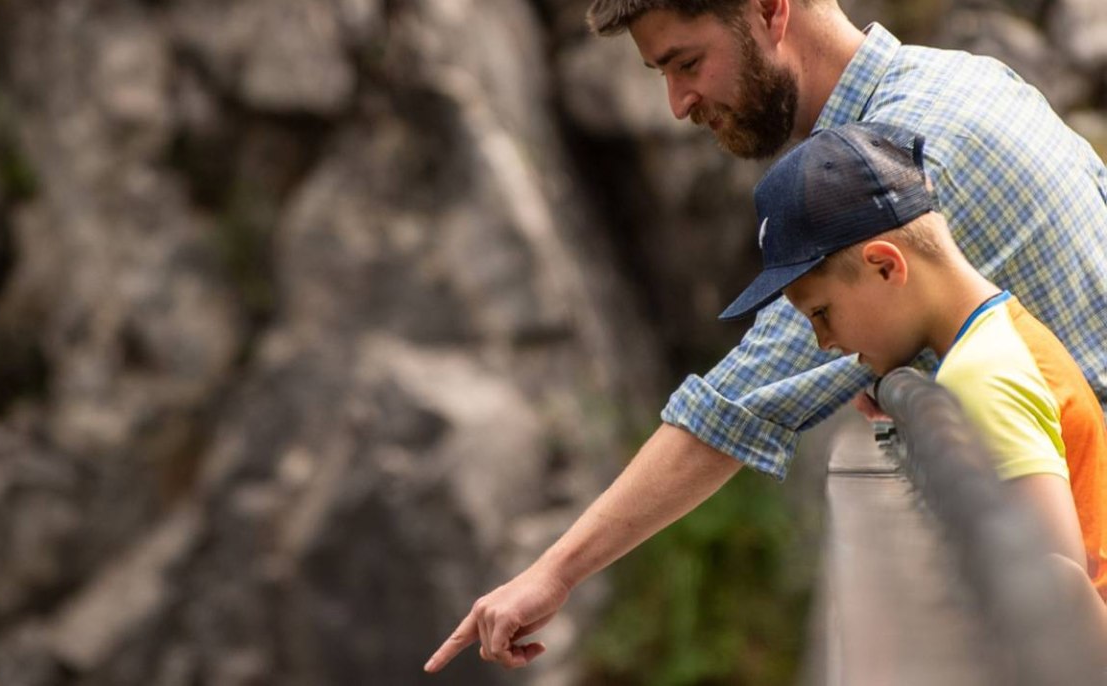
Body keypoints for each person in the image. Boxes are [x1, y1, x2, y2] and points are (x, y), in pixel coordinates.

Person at [424, 0, 1107, 673]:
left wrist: (552, 574)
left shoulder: (901, 159)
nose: (678, 103)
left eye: (686, 63)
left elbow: (737, 406)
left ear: (771, 11)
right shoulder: (967, 79)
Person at [722, 121, 1107, 627]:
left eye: (821, 313)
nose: (824, 341)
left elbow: (1059, 596)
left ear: (885, 266)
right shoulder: (1001, 333)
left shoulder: (981, 376)